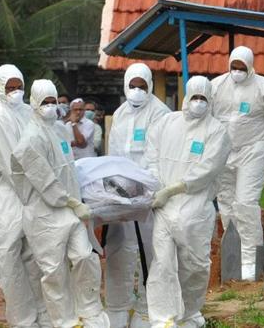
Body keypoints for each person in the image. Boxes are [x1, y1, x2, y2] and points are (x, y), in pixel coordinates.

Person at [11, 79, 109, 328]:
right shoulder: (29, 141)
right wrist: (73, 203)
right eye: (45, 102)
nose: (51, 107)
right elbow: (46, 182)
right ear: (34, 103)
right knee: (54, 273)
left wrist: (77, 202)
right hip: (45, 215)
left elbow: (69, 169)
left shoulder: (61, 130)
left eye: (54, 101)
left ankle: (89, 312)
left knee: (85, 258)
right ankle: (64, 322)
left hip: (70, 211)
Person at [144, 75, 231, 328]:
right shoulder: (167, 123)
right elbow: (152, 156)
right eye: (195, 97)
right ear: (186, 97)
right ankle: (163, 319)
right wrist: (155, 185)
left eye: (204, 98)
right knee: (162, 265)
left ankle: (190, 314)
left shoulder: (217, 131)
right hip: (163, 206)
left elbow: (208, 169)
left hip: (195, 208)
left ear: (210, 101)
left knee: (195, 266)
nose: (198, 103)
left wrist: (174, 189)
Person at [0, 64, 50, 327]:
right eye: (10, 88)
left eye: (19, 87)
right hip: (4, 200)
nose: (15, 92)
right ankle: (23, 321)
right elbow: (12, 166)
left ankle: (43, 317)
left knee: (35, 261)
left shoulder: (28, 112)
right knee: (9, 264)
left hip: (29, 196)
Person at [211, 46, 264, 280]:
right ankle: (233, 256)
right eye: (234, 67)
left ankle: (251, 260)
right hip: (223, 152)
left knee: (246, 203)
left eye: (241, 68)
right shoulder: (216, 87)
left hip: (254, 150)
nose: (237, 72)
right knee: (226, 203)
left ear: (250, 67)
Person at [106, 62, 170, 328]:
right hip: (122, 195)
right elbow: (113, 154)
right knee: (119, 249)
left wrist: (147, 187)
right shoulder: (120, 114)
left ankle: (146, 308)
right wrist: (115, 187)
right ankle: (118, 308)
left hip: (148, 195)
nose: (136, 91)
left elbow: (161, 156)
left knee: (152, 251)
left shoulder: (162, 114)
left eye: (142, 86)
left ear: (150, 86)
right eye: (132, 86)